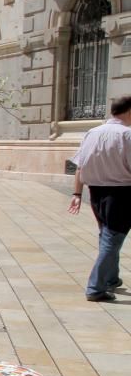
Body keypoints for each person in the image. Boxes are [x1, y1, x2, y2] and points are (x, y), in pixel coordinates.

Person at [68, 95, 131, 302]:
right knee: (112, 239)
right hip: (121, 194)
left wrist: (77, 193)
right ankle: (95, 288)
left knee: (107, 236)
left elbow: (80, 167)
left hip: (96, 193)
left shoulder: (92, 133)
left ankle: (111, 279)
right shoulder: (127, 135)